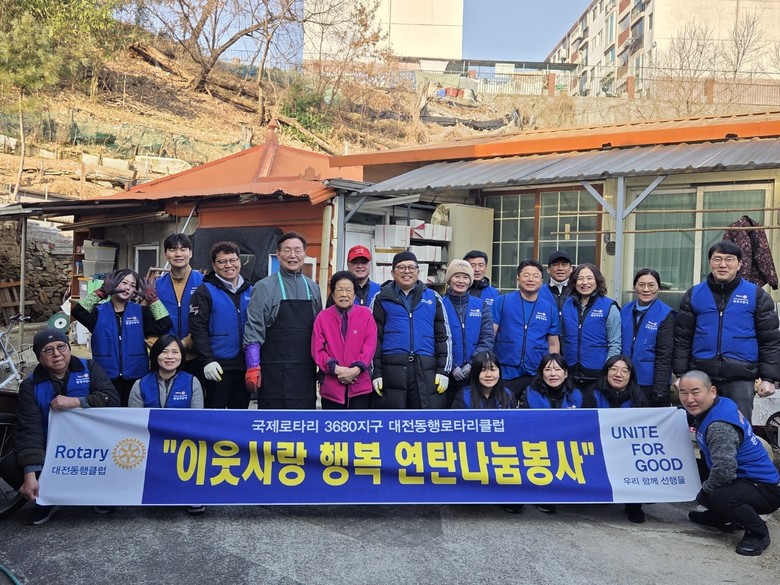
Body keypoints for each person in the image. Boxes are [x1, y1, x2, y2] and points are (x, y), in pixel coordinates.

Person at [7, 329, 119, 526]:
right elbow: (29, 429)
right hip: (51, 447)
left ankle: (100, 494)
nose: (57, 354)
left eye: (61, 347)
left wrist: (77, 401)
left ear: (69, 348)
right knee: (13, 463)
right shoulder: (29, 386)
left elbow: (112, 399)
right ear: (39, 357)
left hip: (92, 445)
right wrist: (29, 474)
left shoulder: (89, 368)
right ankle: (45, 499)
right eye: (48, 350)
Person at [673, 240, 780, 423]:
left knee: (738, 427)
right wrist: (681, 375)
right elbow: (683, 338)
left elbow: (770, 340)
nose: (723, 264)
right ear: (710, 262)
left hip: (741, 377)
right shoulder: (694, 295)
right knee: (703, 428)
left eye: (729, 259)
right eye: (717, 259)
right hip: (702, 376)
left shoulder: (756, 295)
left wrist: (769, 378)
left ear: (739, 264)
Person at [679, 369, 780, 556]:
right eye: (683, 393)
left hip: (764, 488)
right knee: (691, 469)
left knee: (718, 496)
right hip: (741, 478)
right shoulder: (719, 404)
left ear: (712, 391)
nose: (689, 399)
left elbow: (725, 472)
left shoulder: (719, 426)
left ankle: (758, 532)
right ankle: (724, 519)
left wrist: (704, 493)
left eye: (695, 392)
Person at [243, 232, 322, 409]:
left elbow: (320, 332)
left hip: (304, 372)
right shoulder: (263, 287)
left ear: (304, 254)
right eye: (287, 250)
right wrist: (252, 366)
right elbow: (254, 329)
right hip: (273, 371)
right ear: (278, 255)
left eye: (297, 250)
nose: (292, 255)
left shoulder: (313, 288)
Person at [128, 334, 205, 515]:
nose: (170, 357)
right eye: (164, 352)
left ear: (182, 356)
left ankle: (192, 494)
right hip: (151, 443)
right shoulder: (140, 384)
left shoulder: (192, 382)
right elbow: (133, 422)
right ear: (155, 355)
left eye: (175, 352)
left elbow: (197, 419)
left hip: (183, 443)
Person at [72, 268, 171, 406]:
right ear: (112, 284)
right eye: (124, 282)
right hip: (105, 378)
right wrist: (101, 292)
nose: (128, 288)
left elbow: (165, 323)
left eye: (132, 285)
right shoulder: (98, 313)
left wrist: (153, 300)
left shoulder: (141, 312)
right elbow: (78, 311)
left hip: (136, 377)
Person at [371, 251, 452, 409]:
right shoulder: (381, 298)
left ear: (418, 271)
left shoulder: (433, 297)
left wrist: (443, 370)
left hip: (426, 368)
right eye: (401, 267)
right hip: (391, 370)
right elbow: (373, 339)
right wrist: (376, 372)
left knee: (423, 417)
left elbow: (444, 337)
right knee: (394, 419)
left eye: (411, 267)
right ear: (393, 272)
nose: (407, 271)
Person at [583, 355, 649, 524]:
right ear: (606, 372)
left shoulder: (638, 399)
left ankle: (634, 505)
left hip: (627, 450)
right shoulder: (592, 395)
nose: (618, 374)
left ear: (631, 376)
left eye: (624, 371)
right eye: (613, 369)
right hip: (598, 447)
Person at [189, 241, 253, 409]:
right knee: (215, 416)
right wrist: (207, 360)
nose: (229, 265)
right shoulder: (204, 291)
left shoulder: (251, 290)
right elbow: (198, 328)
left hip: (245, 366)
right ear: (214, 265)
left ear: (240, 262)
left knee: (239, 416)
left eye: (233, 260)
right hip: (218, 367)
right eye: (222, 261)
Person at [519, 352, 582, 514]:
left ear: (565, 373)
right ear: (541, 373)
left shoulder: (577, 396)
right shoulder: (529, 393)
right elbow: (522, 424)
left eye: (558, 369)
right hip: (537, 445)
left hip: (567, 445)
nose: (553, 374)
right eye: (548, 370)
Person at [493, 259, 560, 400]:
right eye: (526, 275)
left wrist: (552, 369)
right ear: (518, 278)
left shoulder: (549, 309)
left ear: (542, 281)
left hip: (536, 372)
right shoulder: (502, 302)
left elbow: (553, 344)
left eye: (535, 276)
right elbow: (490, 335)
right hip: (505, 371)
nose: (531, 279)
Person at [311, 271, 377, 409]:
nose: (344, 294)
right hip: (332, 386)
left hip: (360, 385)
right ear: (333, 293)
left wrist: (356, 370)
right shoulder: (323, 317)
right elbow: (317, 350)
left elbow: (370, 346)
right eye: (339, 290)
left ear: (355, 293)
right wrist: (336, 369)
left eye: (348, 290)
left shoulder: (366, 315)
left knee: (359, 422)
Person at [560, 263, 621, 392]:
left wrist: (607, 371)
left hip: (597, 376)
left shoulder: (609, 307)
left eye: (589, 278)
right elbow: (563, 338)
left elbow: (615, 344)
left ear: (597, 281)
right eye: (580, 278)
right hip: (570, 375)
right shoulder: (567, 305)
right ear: (574, 282)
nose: (585, 282)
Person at [441, 259, 493, 407]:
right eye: (456, 276)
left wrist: (472, 364)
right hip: (447, 374)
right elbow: (436, 340)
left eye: (465, 277)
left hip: (475, 372)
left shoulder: (480, 305)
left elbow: (487, 338)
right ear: (449, 279)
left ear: (470, 281)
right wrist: (452, 367)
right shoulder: (440, 304)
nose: (461, 281)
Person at [621, 269, 675, 406]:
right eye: (641, 285)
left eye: (651, 285)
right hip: (624, 380)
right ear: (635, 287)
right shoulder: (624, 310)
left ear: (659, 288)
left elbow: (665, 355)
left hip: (650, 384)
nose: (646, 289)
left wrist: (660, 389)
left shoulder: (666, 314)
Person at [153, 233, 204, 377]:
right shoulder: (156, 286)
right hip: (165, 359)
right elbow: (147, 322)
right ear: (165, 254)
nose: (178, 254)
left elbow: (210, 320)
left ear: (190, 253)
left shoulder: (204, 283)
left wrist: (186, 343)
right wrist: (162, 346)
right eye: (172, 249)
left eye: (183, 249)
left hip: (197, 356)